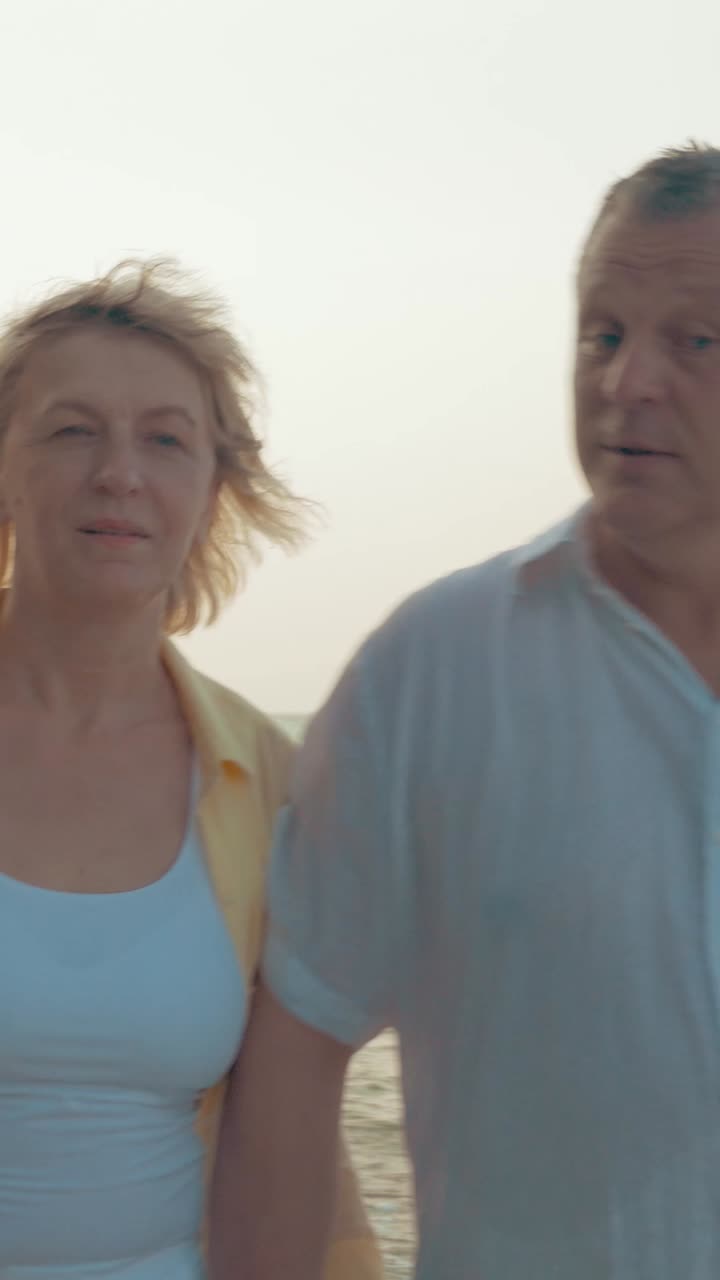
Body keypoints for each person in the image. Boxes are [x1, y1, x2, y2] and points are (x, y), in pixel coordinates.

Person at [209, 141, 720, 1280]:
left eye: (697, 338)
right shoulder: (430, 672)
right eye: (603, 333)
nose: (628, 380)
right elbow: (295, 1052)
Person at [0, 260, 383, 1280]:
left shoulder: (273, 781)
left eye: (166, 439)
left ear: (213, 489)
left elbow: (297, 1135)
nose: (119, 472)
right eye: (73, 429)